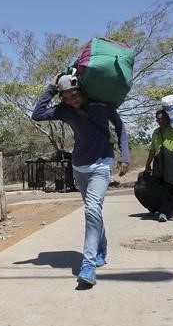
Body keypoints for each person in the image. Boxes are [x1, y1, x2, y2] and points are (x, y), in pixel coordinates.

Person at [31, 74, 130, 286]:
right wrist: (50, 86)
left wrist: (125, 156)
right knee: (93, 210)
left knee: (92, 210)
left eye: (74, 95)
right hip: (79, 166)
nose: (72, 100)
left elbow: (121, 128)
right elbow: (37, 114)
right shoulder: (64, 110)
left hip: (102, 163)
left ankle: (88, 265)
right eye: (66, 97)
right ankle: (102, 247)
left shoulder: (102, 106)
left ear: (82, 91)